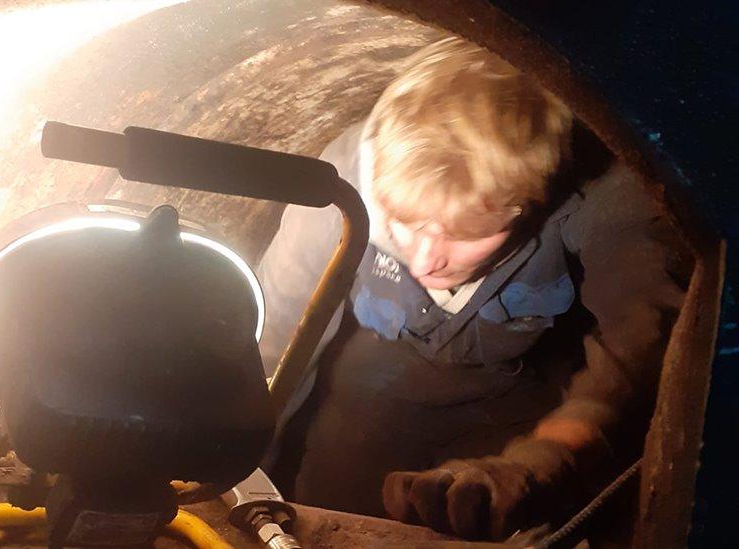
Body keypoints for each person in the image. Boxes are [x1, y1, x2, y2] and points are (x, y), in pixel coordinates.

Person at [256, 37, 690, 541]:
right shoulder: (339, 182)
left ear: (533, 203)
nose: (427, 260)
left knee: (520, 524)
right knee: (309, 515)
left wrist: (534, 468)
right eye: (404, 223)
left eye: (468, 236)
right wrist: (230, 461)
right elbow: (274, 341)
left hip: (510, 388)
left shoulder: (607, 191)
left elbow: (634, 359)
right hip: (369, 378)